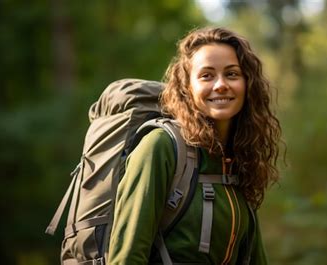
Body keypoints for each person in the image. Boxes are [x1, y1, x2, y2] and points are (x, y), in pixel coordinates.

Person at [108, 26, 281, 264]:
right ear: (187, 88)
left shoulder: (239, 160)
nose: (220, 85)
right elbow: (127, 257)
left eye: (232, 74)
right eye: (206, 76)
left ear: (248, 83)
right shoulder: (161, 147)